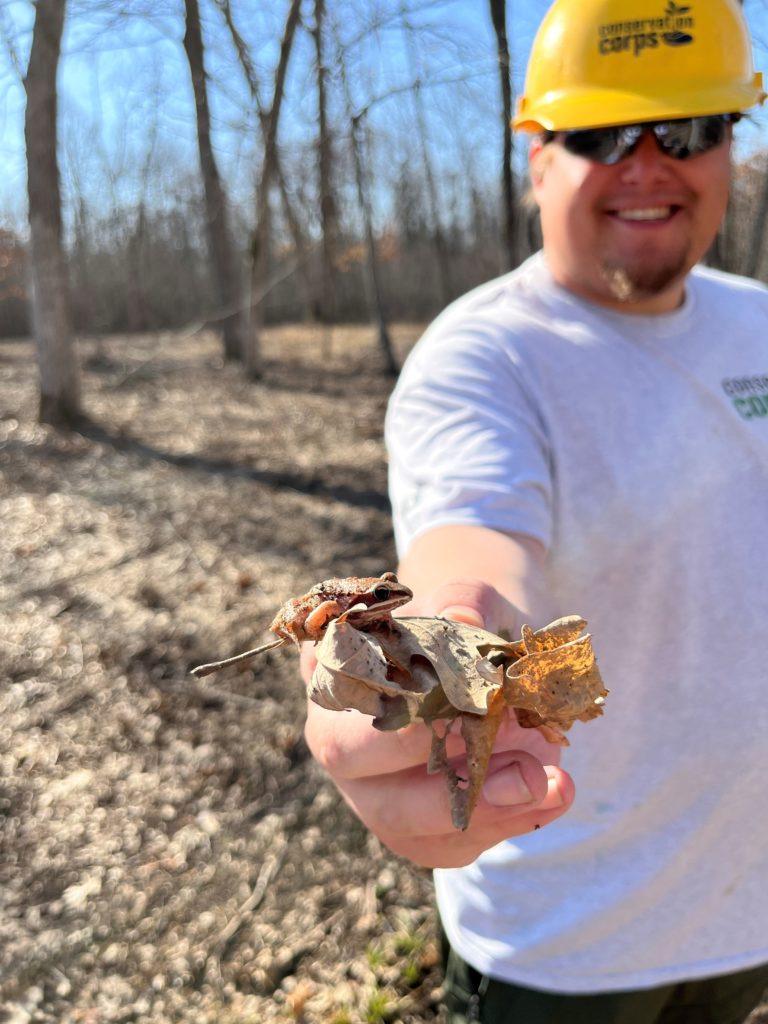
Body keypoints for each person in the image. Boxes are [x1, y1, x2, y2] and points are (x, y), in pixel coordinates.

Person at [304, 0, 768, 1019]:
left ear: (733, 145)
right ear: (536, 155)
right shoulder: (483, 358)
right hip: (565, 941)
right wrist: (450, 628)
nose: (648, 165)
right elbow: (474, 545)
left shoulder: (758, 322)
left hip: (748, 905)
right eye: (601, 133)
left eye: (688, 131)